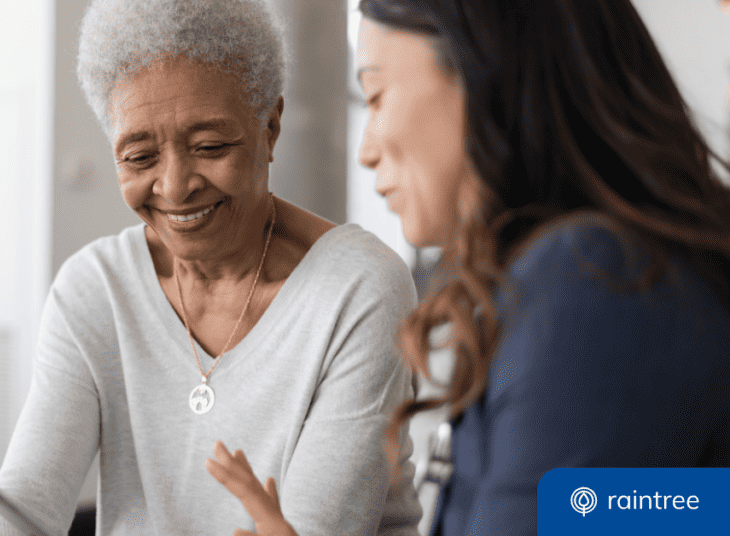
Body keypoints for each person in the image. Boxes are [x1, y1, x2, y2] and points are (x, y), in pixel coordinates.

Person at [209, 0, 730, 535]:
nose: (365, 150)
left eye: (376, 94)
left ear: (483, 72)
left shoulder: (594, 282)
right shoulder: (604, 276)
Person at [0, 0, 423, 534]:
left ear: (269, 127)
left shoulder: (358, 289)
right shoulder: (95, 289)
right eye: (139, 157)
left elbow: (313, 527)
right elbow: (26, 498)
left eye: (210, 146)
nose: (176, 186)